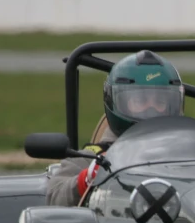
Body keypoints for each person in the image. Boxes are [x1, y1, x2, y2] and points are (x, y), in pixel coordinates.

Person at [46, 50, 185, 206]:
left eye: (160, 102)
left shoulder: (187, 154)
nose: (150, 110)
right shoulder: (91, 158)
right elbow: (54, 196)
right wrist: (87, 178)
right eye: (140, 101)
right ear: (116, 102)